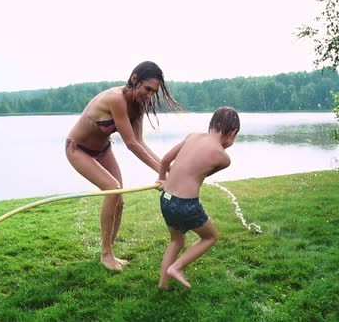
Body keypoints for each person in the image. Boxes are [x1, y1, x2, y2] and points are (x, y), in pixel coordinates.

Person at [65, 61, 182, 271]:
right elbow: (130, 145)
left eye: (153, 92)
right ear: (134, 79)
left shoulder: (139, 104)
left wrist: (169, 171)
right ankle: (106, 255)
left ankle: (109, 251)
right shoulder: (116, 99)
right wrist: (163, 171)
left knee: (119, 200)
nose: (149, 95)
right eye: (147, 89)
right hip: (77, 149)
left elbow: (140, 142)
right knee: (113, 188)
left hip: (103, 150)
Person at [156, 106, 240, 289]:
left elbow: (164, 161)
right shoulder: (223, 157)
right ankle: (176, 268)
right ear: (233, 132)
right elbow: (201, 174)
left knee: (176, 240)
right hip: (186, 204)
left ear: (212, 124)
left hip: (166, 199)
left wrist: (162, 179)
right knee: (210, 237)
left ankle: (163, 284)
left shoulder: (192, 136)